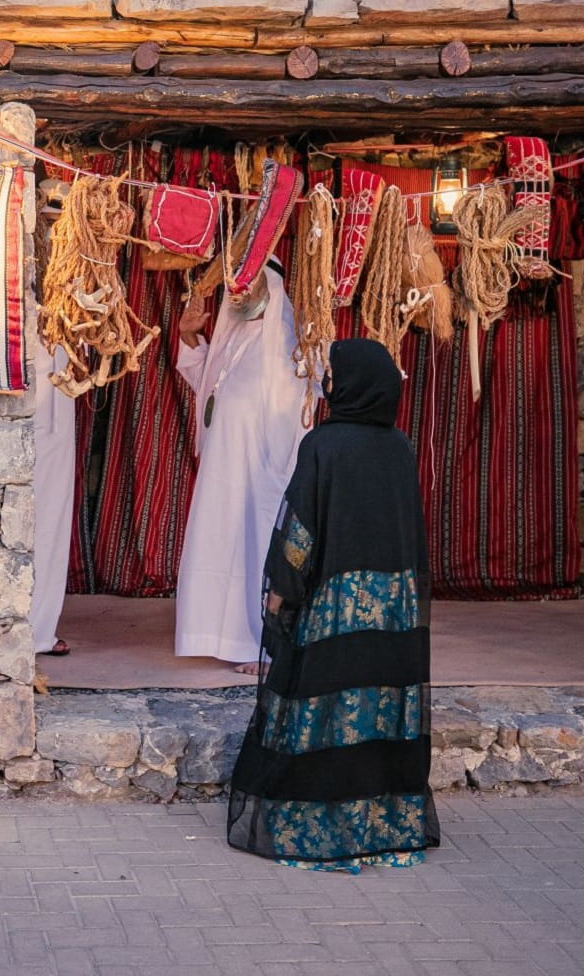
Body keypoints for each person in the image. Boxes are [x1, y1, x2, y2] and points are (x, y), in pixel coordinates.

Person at [226, 338, 439, 872]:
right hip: (393, 608)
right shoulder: (401, 447)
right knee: (378, 713)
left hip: (338, 607)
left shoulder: (323, 446)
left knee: (326, 711)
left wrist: (282, 591)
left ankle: (320, 825)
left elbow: (300, 531)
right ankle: (382, 822)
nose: (326, 384)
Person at [173, 266, 308, 670]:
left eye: (252, 284)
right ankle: (217, 635)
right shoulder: (231, 337)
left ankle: (263, 645)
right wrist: (187, 336)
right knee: (218, 547)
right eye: (238, 285)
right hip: (221, 476)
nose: (243, 292)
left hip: (260, 480)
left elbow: (297, 412)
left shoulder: (285, 342)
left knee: (256, 554)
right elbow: (209, 388)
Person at [28, 334, 77, 657]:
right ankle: (27, 627)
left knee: (51, 516)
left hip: (57, 396)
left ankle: (40, 626)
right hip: (22, 384)